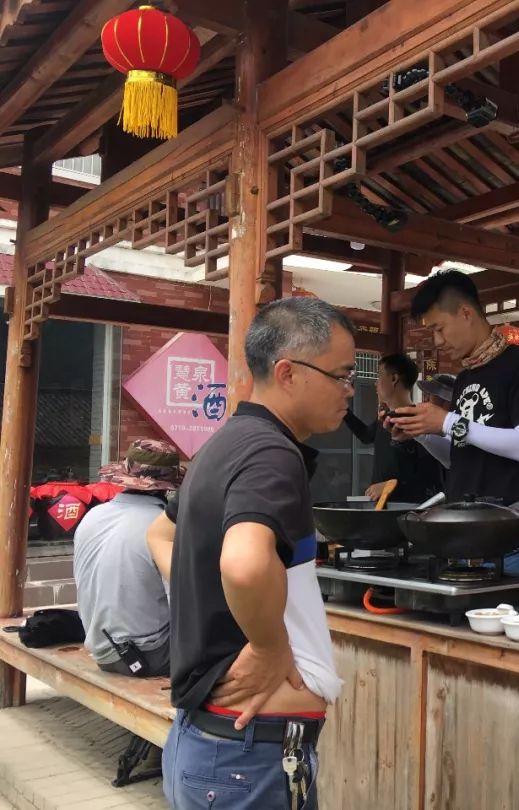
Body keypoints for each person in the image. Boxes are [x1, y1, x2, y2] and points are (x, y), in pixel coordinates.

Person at [147, 297, 355, 809]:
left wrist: (216, 604)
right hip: (246, 756)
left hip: (215, 746)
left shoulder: (224, 445)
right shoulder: (271, 454)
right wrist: (267, 645)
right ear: (287, 372)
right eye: (342, 374)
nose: (350, 390)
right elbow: (244, 564)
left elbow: (160, 536)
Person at [389, 270, 519, 574]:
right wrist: (423, 432)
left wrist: (448, 422)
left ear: (465, 314)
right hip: (460, 536)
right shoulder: (465, 377)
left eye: (439, 328)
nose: (437, 341)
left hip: (507, 540)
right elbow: (460, 458)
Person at [74, 439, 183, 677]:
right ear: (168, 487)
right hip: (147, 655)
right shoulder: (163, 528)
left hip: (100, 648)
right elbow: (184, 603)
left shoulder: (93, 516)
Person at [344, 353, 443, 504]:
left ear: (393, 379)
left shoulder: (419, 421)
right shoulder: (386, 418)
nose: (376, 384)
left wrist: (392, 485)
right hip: (382, 507)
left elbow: (428, 477)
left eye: (379, 376)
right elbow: (366, 436)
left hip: (407, 510)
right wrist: (344, 409)